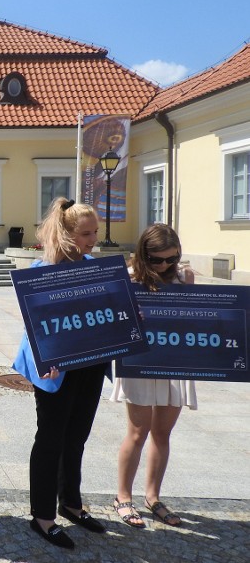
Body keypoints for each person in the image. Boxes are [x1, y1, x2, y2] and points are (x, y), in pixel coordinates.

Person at [12, 197, 110, 550]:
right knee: (51, 439)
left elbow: (111, 316)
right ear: (67, 234)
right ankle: (42, 515)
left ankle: (70, 502)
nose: (93, 239)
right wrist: (47, 352)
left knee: (77, 436)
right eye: (86, 233)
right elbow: (35, 324)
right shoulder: (41, 271)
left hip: (91, 364)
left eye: (95, 232)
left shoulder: (97, 269)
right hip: (55, 368)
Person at [110, 223, 195, 529]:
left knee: (162, 433)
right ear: (144, 255)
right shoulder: (130, 278)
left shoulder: (185, 277)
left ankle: (153, 496)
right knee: (137, 431)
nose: (163, 265)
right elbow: (117, 323)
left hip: (175, 360)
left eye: (170, 259)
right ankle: (122, 496)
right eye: (157, 259)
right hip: (141, 360)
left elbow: (196, 320)